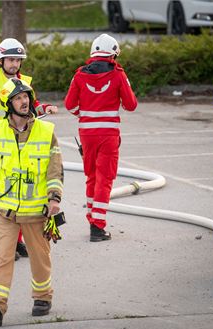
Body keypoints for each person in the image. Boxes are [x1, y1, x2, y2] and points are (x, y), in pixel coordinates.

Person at [0, 78, 63, 327]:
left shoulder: (46, 132)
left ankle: (42, 297)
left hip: (37, 210)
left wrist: (54, 198)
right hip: (5, 210)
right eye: (18, 98)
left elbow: (54, 169)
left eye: (26, 96)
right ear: (8, 103)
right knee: (2, 258)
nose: (24, 101)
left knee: (40, 257)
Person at [0, 38, 59, 259]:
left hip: (25, 145)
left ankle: (17, 241)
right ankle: (3, 245)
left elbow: (32, 106)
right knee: (4, 198)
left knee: (24, 195)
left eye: (17, 59)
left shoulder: (25, 82)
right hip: (3, 148)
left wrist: (46, 107)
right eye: (10, 60)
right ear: (1, 61)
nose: (14, 64)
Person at [64, 33, 137, 242]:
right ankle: (98, 226)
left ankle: (92, 218)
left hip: (86, 134)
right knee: (105, 179)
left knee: (91, 177)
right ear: (113, 54)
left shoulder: (79, 75)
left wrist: (84, 114)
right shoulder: (118, 74)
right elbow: (131, 105)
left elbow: (70, 105)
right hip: (108, 135)